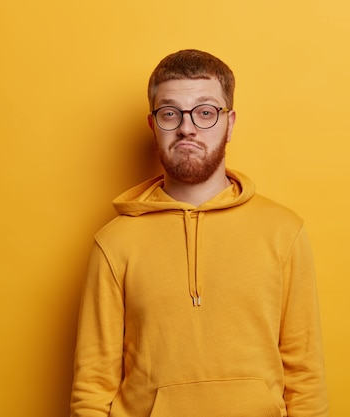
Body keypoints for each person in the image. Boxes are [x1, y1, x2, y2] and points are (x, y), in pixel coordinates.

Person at [71, 49, 328, 417]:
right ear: (153, 125)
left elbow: (306, 376)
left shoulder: (283, 231)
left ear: (230, 122)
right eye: (170, 113)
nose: (187, 128)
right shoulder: (114, 243)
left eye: (205, 112)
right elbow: (92, 388)